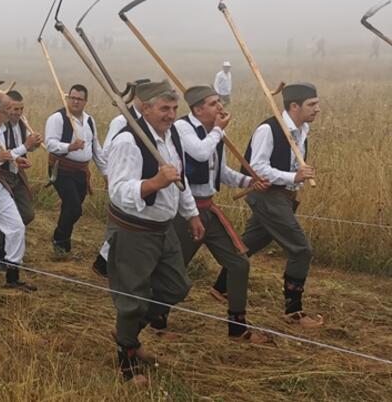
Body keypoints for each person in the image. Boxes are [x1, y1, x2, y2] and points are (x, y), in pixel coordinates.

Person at [104, 80, 203, 384]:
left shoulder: (170, 134)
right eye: (164, 108)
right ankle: (127, 366)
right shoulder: (127, 141)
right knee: (132, 299)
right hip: (135, 230)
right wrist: (154, 183)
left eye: (174, 108)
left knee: (176, 287)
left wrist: (192, 214)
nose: (171, 115)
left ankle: (127, 334)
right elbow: (117, 190)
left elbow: (178, 177)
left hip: (164, 228)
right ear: (144, 108)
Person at [212, 83, 324, 328]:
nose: (317, 109)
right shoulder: (269, 129)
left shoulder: (302, 129)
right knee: (300, 249)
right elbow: (257, 168)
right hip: (267, 195)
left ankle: (221, 288)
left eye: (317, 103)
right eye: (312, 104)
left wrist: (295, 182)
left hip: (283, 196)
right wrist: (292, 177)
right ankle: (293, 312)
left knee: (251, 243)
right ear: (294, 106)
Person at [171, 85, 270, 343]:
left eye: (219, 102)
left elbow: (222, 172)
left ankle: (237, 327)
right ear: (198, 109)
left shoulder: (215, 134)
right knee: (173, 269)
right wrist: (218, 131)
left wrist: (249, 182)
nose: (221, 108)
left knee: (239, 263)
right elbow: (200, 152)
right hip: (185, 211)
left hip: (208, 209)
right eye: (214, 103)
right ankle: (155, 320)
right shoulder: (182, 128)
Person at [0, 94, 35, 291]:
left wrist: (14, 159)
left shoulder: (2, 128)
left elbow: (3, 155)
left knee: (16, 228)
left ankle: (12, 275)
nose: (12, 113)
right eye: (8, 109)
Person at [93, 78, 150, 277]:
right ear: (136, 98)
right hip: (122, 180)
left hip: (142, 183)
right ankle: (103, 263)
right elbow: (107, 150)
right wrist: (110, 175)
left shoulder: (150, 121)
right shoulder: (121, 121)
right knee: (118, 223)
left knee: (131, 223)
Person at [44, 84, 105, 259]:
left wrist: (106, 173)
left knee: (70, 208)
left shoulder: (89, 121)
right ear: (68, 98)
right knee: (74, 208)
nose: (75, 101)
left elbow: (96, 149)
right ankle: (59, 240)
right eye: (73, 98)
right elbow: (50, 144)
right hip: (61, 169)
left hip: (81, 172)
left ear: (85, 101)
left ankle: (64, 247)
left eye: (79, 99)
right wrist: (69, 147)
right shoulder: (57, 118)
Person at [0, 90, 41, 269]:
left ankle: (8, 245)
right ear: (5, 108)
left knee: (27, 214)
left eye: (20, 109)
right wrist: (24, 147)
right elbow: (0, 153)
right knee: (3, 215)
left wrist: (32, 147)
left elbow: (21, 150)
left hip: (16, 174)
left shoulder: (21, 124)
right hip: (0, 177)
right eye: (13, 109)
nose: (17, 113)